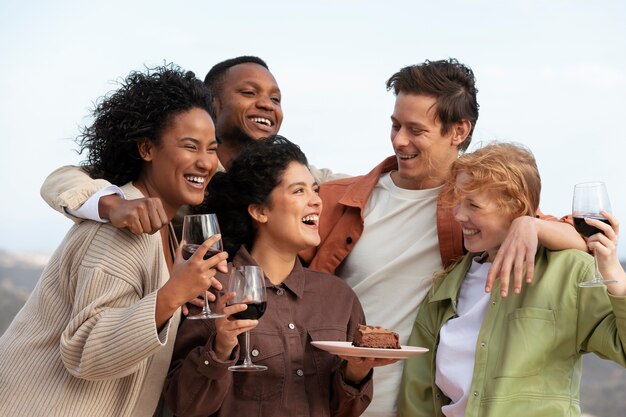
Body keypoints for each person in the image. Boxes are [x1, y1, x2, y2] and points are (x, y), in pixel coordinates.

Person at [300, 59, 587, 417]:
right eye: (395, 125)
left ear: (459, 131)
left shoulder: (480, 214)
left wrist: (531, 225)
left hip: (419, 407)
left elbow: (585, 240)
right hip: (333, 402)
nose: (399, 140)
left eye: (415, 130)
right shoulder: (339, 199)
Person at [0, 65, 228, 417]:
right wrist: (172, 295)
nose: (206, 162)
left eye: (212, 149)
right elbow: (86, 352)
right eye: (189, 146)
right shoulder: (122, 229)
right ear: (146, 149)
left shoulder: (166, 228)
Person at [164, 136, 392, 416]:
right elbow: (182, 405)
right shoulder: (212, 289)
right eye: (299, 191)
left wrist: (356, 372)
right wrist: (220, 349)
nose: (317, 202)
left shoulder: (339, 298)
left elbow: (346, 411)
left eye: (315, 190)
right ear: (260, 211)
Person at [398, 142, 626, 417]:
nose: (458, 215)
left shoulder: (569, 271)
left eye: (473, 205)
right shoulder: (446, 288)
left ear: (516, 207)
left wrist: (613, 273)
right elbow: (418, 391)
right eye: (458, 202)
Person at [39, 56, 342, 237]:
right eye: (249, 92)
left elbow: (353, 187)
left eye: (275, 99)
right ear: (213, 103)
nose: (266, 104)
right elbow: (61, 180)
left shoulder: (289, 175)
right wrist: (113, 205)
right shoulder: (171, 167)